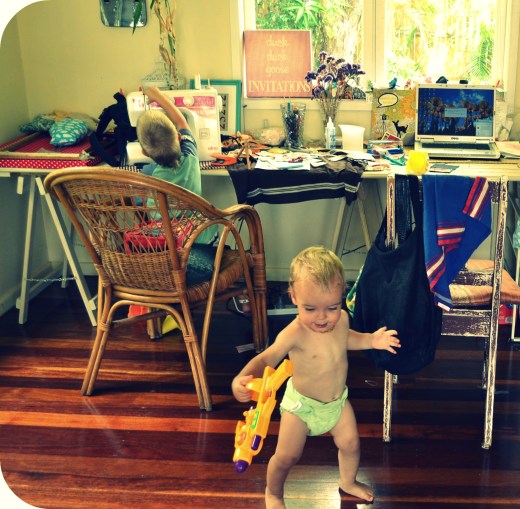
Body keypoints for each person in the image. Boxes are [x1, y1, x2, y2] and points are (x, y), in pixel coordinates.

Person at [232, 246, 400, 509]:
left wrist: (371, 340)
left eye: (332, 307)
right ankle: (273, 493)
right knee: (287, 456)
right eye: (310, 308)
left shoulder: (341, 320)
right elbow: (266, 359)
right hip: (301, 407)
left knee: (351, 444)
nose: (322, 318)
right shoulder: (294, 333)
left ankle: (348, 481)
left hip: (336, 403)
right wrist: (241, 379)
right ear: (294, 297)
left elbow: (347, 339)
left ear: (341, 296)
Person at [135, 85, 202, 195]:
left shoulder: (148, 173)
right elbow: (181, 122)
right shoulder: (190, 156)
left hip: (157, 208)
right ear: (179, 137)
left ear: (144, 152)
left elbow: (139, 198)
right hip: (195, 207)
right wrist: (157, 95)